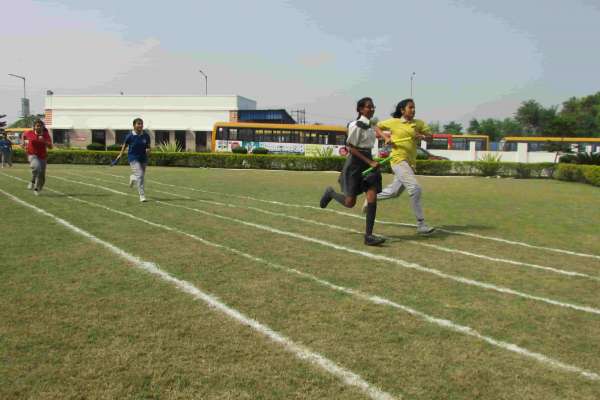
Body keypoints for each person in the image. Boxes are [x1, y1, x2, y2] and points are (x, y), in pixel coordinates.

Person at [319, 97, 386, 246]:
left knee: (372, 197)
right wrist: (369, 162)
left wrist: (386, 138)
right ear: (360, 109)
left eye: (373, 106)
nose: (372, 109)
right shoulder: (356, 125)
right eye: (368, 107)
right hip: (356, 163)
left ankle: (368, 236)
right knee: (350, 203)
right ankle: (330, 193)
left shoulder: (370, 126)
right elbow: (351, 148)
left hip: (369, 160)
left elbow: (376, 130)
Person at [364, 98, 435, 234]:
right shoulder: (394, 122)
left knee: (393, 192)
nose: (413, 110)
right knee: (415, 188)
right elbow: (376, 126)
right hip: (398, 161)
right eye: (410, 108)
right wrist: (386, 138)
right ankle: (421, 224)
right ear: (402, 110)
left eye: (414, 108)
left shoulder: (419, 123)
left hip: (410, 164)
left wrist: (423, 136)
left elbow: (431, 136)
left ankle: (371, 197)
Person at [115, 118, 151, 202]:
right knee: (140, 175)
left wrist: (148, 150)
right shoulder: (129, 136)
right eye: (138, 124)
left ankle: (132, 177)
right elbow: (125, 145)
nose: (140, 125)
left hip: (143, 157)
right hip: (133, 157)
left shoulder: (146, 135)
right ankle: (142, 195)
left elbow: (148, 146)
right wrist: (120, 154)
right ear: (134, 125)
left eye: (141, 123)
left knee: (140, 176)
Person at [23, 120, 53, 195]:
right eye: (37, 126)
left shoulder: (46, 135)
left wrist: (44, 141)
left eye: (40, 126)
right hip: (32, 154)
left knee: (42, 174)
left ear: (43, 127)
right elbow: (23, 135)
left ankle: (37, 188)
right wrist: (23, 143)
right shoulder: (29, 133)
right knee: (37, 167)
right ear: (34, 127)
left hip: (42, 156)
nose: (39, 127)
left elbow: (50, 147)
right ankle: (33, 181)